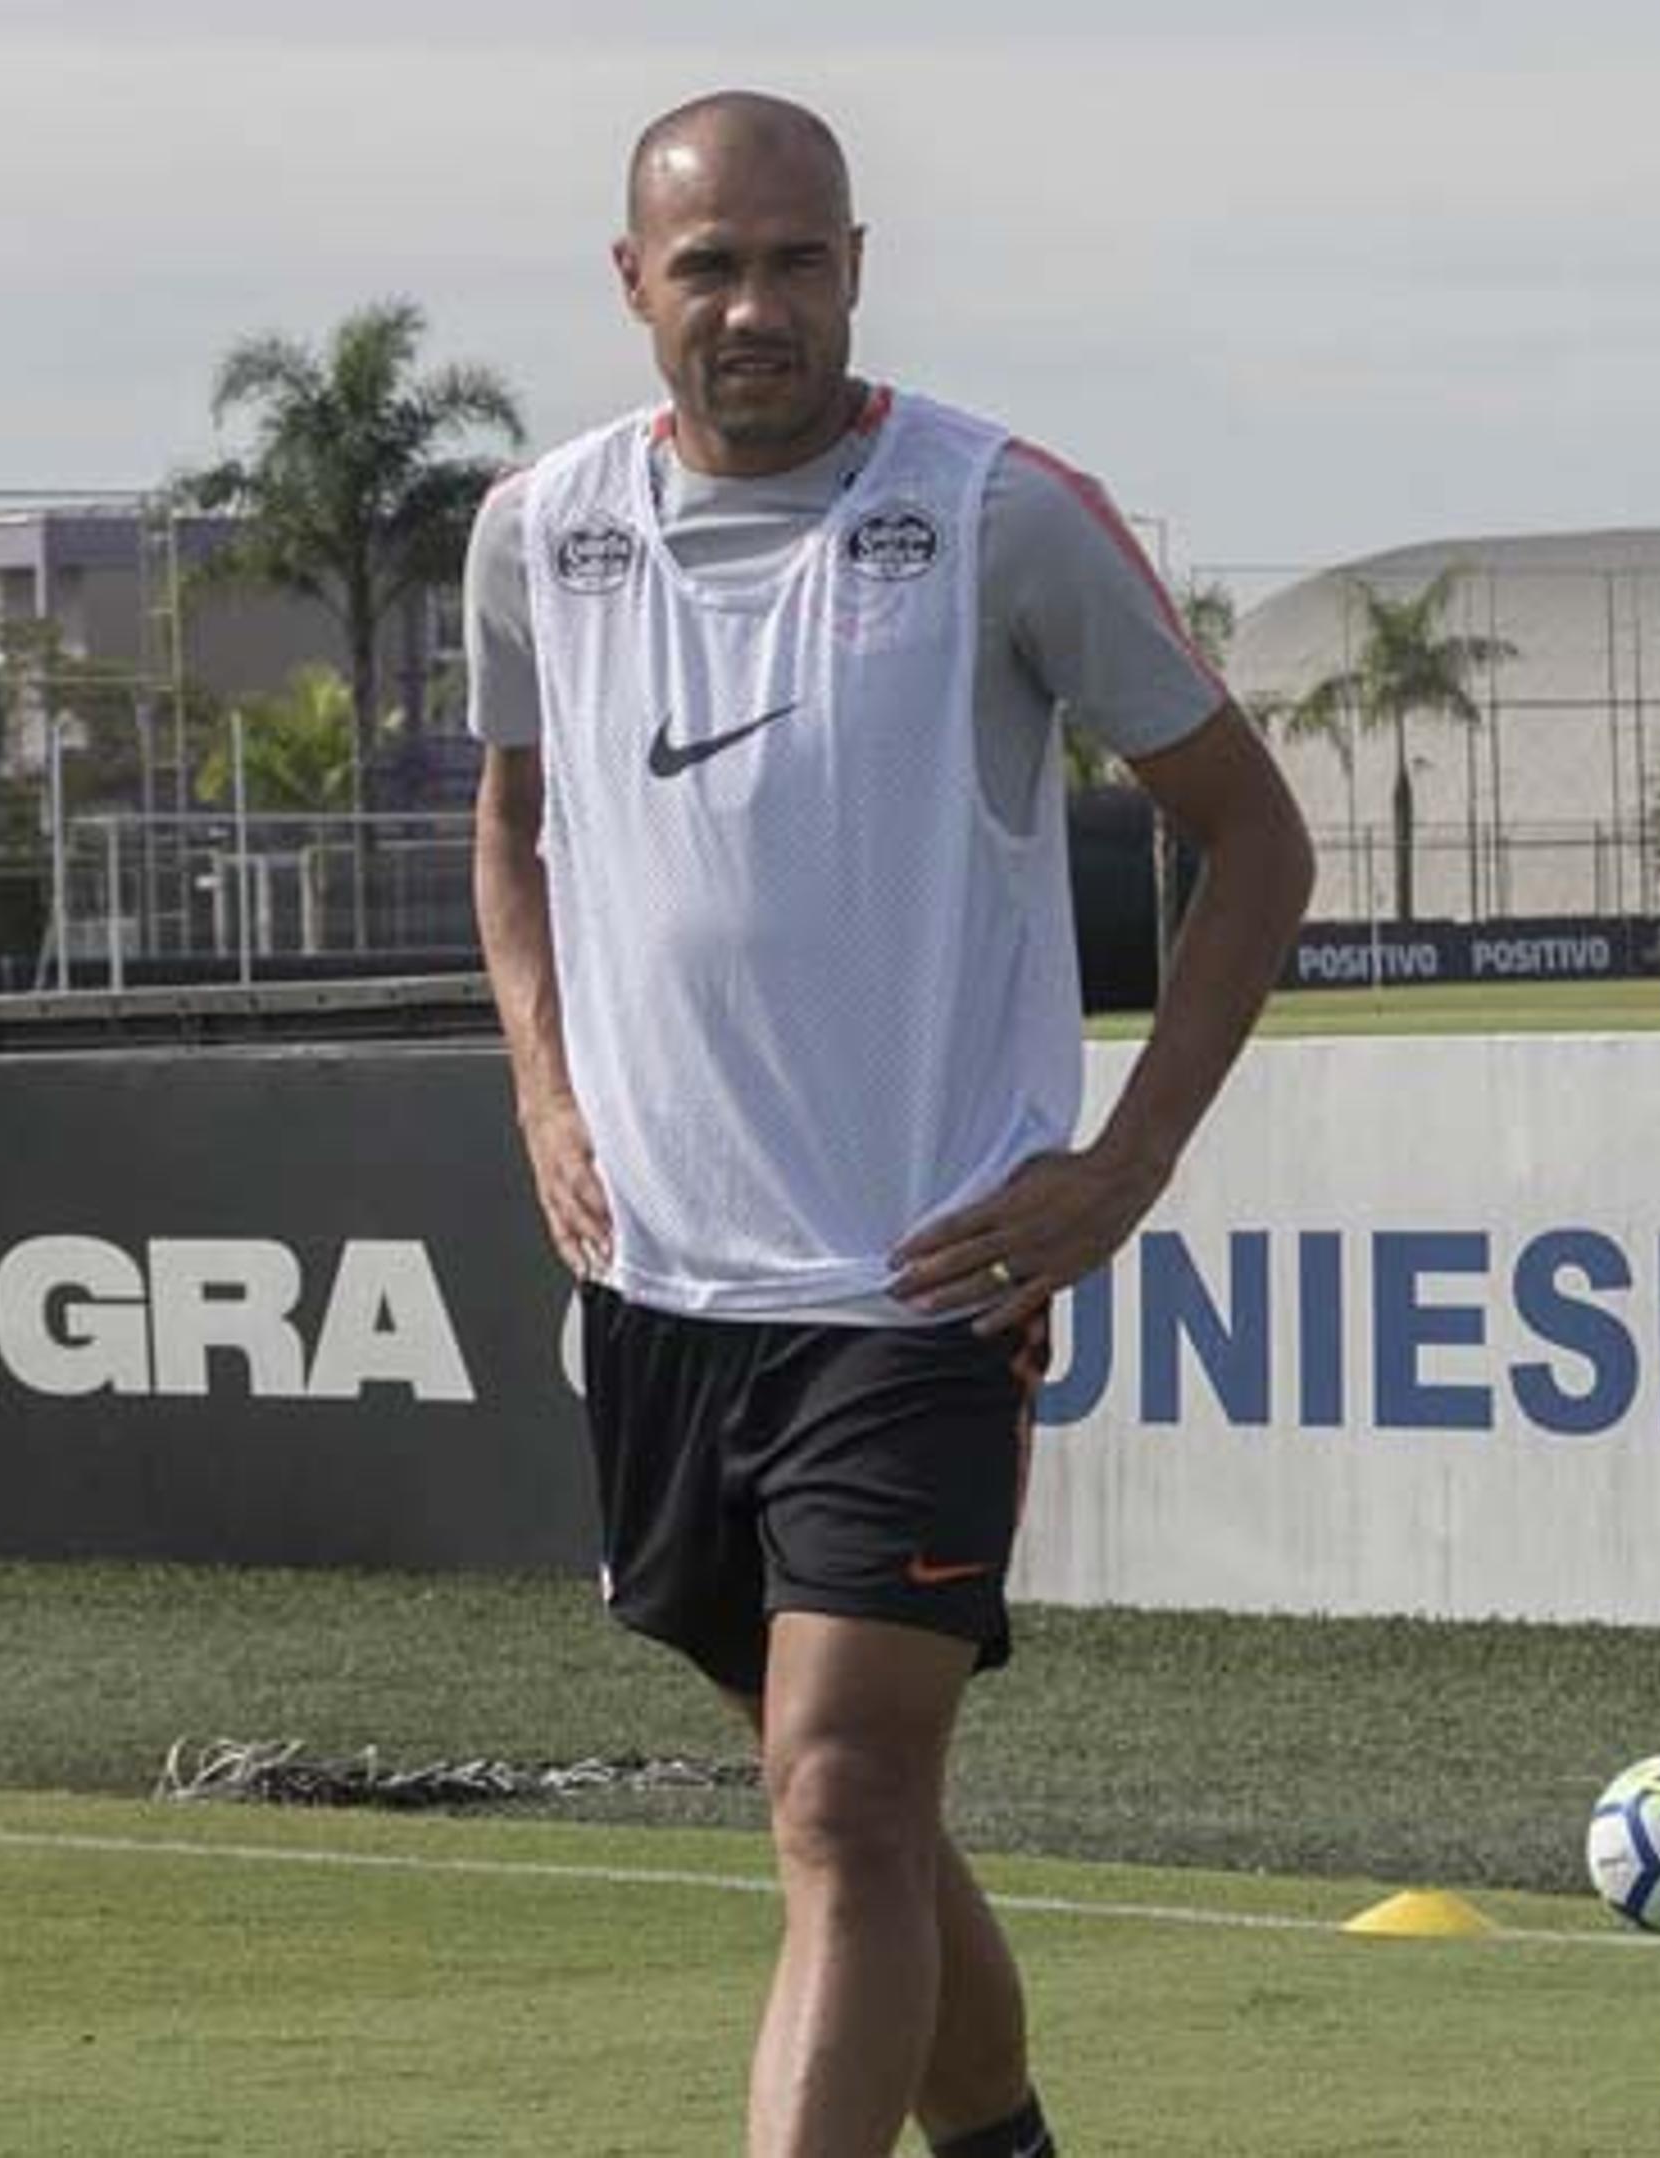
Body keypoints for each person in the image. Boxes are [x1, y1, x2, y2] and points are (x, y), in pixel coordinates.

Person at [468, 93, 1313, 2158]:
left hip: (916, 1285)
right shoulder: (539, 529)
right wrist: (544, 1087)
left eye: (797, 260)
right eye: (711, 266)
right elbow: (508, 819)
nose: (756, 306)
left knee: (843, 1795)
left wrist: (1125, 1166)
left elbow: (1254, 838)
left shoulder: (998, 512)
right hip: (657, 1288)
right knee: (852, 1800)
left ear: (857, 265)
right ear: (632, 285)